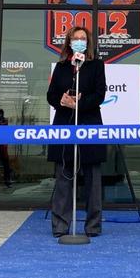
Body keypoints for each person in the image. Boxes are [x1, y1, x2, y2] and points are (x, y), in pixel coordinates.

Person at [48, 26, 107, 238]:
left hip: (89, 125)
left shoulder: (96, 65)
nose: (80, 41)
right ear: (69, 42)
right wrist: (61, 101)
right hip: (64, 125)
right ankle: (60, 225)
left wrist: (80, 104)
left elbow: (100, 94)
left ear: (88, 43)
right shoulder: (62, 66)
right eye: (76, 38)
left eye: (83, 38)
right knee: (63, 178)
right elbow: (51, 94)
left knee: (92, 180)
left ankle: (93, 226)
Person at [0, 108, 13, 188]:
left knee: (5, 165)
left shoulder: (3, 121)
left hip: (2, 146)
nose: (1, 115)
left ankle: (6, 181)